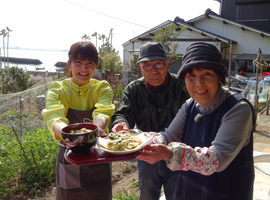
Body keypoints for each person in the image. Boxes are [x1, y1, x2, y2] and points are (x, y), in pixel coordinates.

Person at [137, 42, 256, 200]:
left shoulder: (237, 109)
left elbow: (216, 159)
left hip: (224, 192)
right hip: (190, 189)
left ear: (219, 76)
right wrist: (136, 142)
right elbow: (169, 136)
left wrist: (169, 153)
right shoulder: (190, 105)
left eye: (206, 74)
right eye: (191, 76)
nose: (198, 83)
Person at [111, 42, 190, 200]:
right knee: (147, 196)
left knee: (178, 196)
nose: (154, 70)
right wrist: (121, 123)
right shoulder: (134, 89)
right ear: (141, 68)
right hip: (146, 155)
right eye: (148, 65)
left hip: (176, 153)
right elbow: (123, 113)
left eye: (159, 64)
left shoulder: (182, 86)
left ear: (167, 65)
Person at [42, 41, 115, 200]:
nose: (84, 68)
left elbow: (103, 112)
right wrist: (69, 135)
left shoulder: (101, 88)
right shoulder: (57, 89)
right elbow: (54, 116)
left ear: (95, 66)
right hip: (70, 154)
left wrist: (93, 131)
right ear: (70, 64)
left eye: (90, 63)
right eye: (79, 62)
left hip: (98, 154)